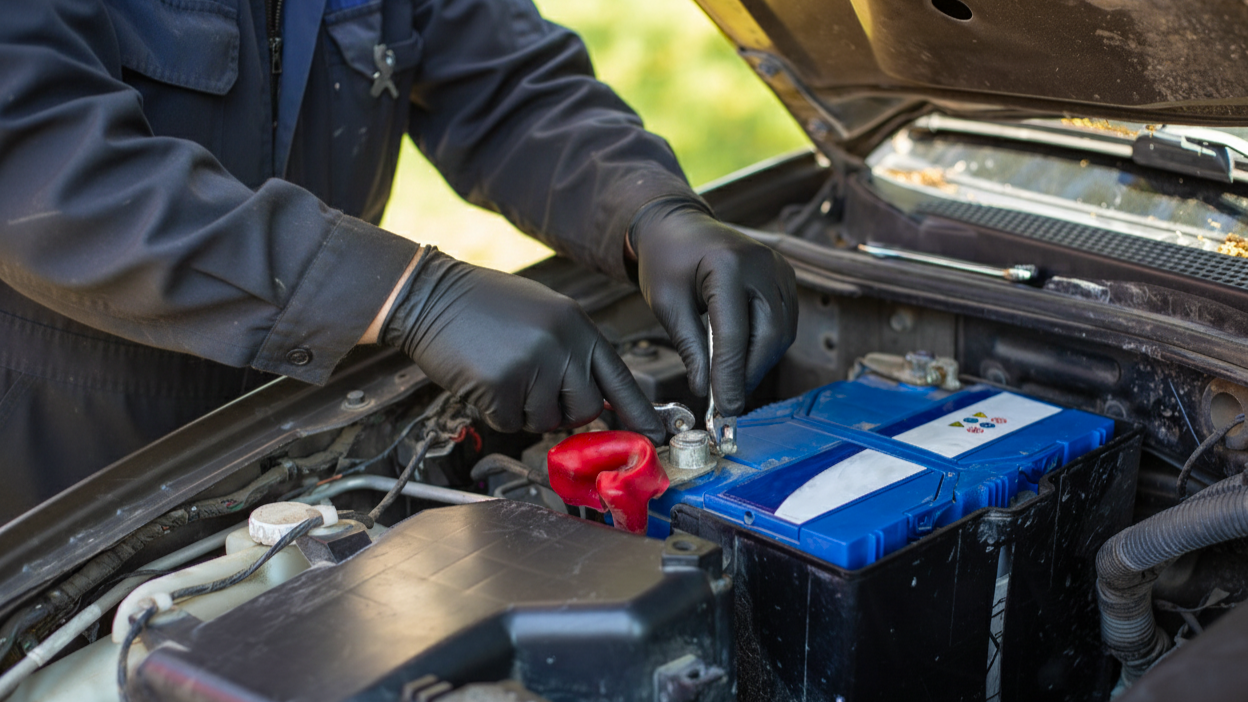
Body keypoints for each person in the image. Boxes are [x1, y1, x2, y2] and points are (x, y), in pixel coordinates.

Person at [0, 0, 798, 522]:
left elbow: (507, 81)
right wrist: (406, 294)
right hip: (66, 448)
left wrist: (646, 209)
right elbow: (35, 150)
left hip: (308, 415)